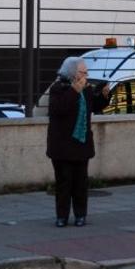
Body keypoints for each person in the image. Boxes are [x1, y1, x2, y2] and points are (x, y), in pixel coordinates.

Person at [45, 56, 110, 227]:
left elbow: (93, 107)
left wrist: (103, 97)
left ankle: (80, 215)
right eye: (83, 72)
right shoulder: (58, 88)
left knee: (81, 182)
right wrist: (74, 90)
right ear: (73, 73)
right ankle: (62, 216)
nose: (86, 75)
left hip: (81, 143)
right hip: (62, 145)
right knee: (64, 182)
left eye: (86, 72)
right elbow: (58, 110)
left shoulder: (86, 90)